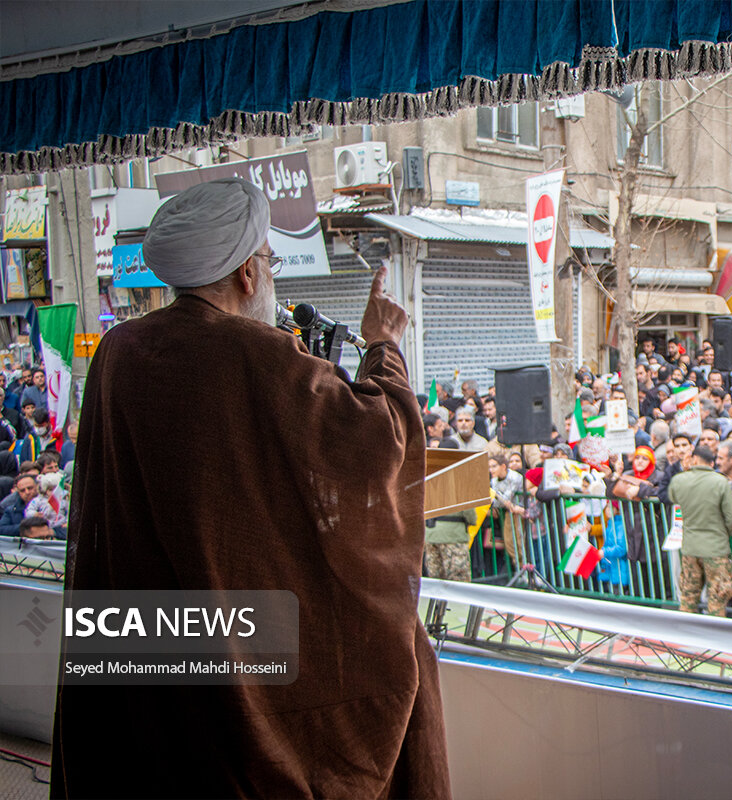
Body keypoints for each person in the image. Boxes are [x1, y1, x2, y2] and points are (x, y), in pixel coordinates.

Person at [53, 178, 450, 797]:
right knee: (407, 663)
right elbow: (379, 442)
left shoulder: (118, 350)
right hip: (235, 650)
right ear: (244, 273)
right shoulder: (259, 355)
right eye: (267, 260)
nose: (270, 276)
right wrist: (383, 345)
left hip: (144, 645)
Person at [668, 445, 732, 616]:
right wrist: (722, 534)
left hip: (690, 547)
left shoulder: (679, 480)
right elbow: (731, 518)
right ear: (711, 461)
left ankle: (687, 636)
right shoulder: (720, 482)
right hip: (716, 548)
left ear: (695, 459)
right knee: (717, 598)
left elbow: (672, 497)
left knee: (688, 597)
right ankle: (714, 637)